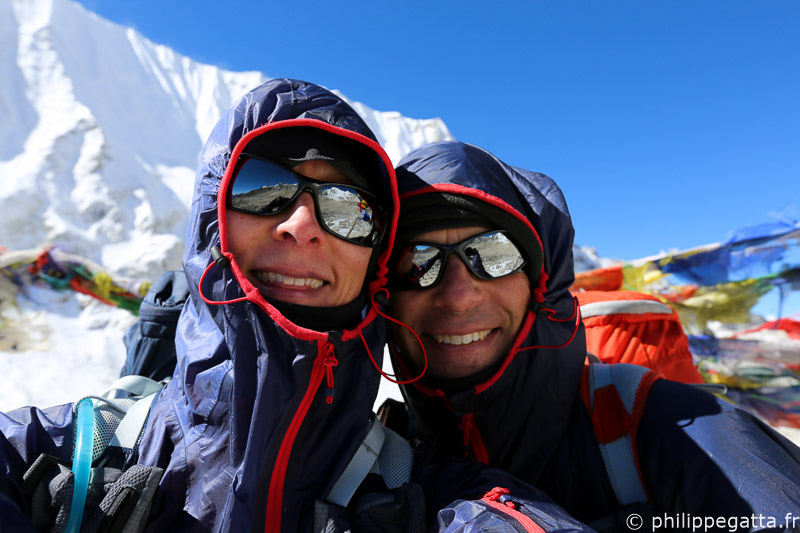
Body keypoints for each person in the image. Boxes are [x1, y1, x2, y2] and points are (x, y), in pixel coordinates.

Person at [0, 80, 594, 532]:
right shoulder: (53, 457)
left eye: (347, 206)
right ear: (212, 221)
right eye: (265, 187)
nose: (303, 224)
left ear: (375, 261)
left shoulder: (439, 500)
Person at [384, 140, 800, 531]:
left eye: (494, 254)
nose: (458, 297)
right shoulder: (379, 457)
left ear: (540, 285)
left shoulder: (680, 430)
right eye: (417, 261)